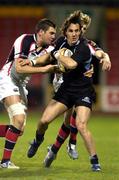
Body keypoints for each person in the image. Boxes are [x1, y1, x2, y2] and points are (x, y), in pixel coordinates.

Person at [27, 10, 111, 171]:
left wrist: (105, 57)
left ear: (81, 32)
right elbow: (49, 56)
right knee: (44, 121)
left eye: (77, 31)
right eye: (71, 31)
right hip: (65, 89)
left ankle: (94, 162)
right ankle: (38, 141)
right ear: (65, 32)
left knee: (80, 124)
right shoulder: (60, 42)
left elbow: (72, 64)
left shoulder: (85, 47)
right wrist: (33, 63)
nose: (74, 34)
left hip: (83, 92)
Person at [0, 18, 57, 169]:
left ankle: (5, 161)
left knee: (18, 130)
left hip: (21, 85)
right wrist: (44, 69)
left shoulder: (50, 49)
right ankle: (5, 162)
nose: (53, 36)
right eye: (51, 33)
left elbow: (63, 57)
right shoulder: (25, 40)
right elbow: (18, 69)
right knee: (18, 119)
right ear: (40, 32)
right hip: (8, 78)